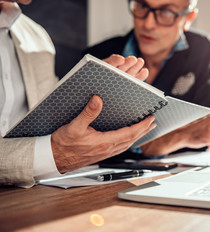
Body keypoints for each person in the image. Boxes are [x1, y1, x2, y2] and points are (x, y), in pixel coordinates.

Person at [0, 0, 156, 188]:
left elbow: (47, 120)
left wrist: (87, 89)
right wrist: (54, 155)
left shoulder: (37, 38)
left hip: (39, 193)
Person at [86, 0, 210, 157]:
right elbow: (88, 146)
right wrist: (184, 135)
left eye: (166, 12)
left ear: (188, 18)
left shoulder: (200, 49)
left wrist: (201, 132)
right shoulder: (97, 57)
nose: (148, 24)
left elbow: (204, 134)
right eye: (142, 6)